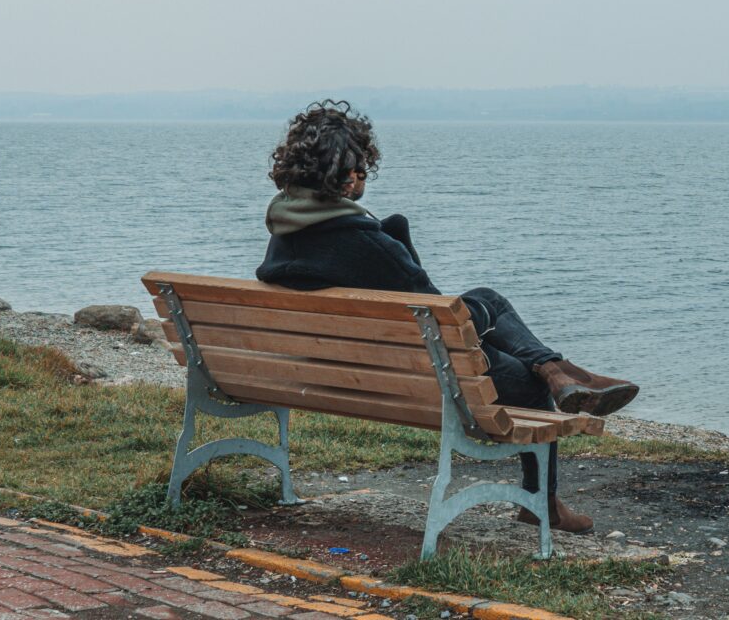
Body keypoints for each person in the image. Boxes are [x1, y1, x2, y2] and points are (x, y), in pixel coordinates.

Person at [255, 100, 639, 533]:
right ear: (339, 178)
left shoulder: (284, 236)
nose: (361, 176)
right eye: (356, 169)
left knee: (485, 313)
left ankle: (559, 372)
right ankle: (549, 435)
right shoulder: (368, 245)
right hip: (424, 377)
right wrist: (399, 244)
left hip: (337, 375)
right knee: (496, 321)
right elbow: (442, 317)